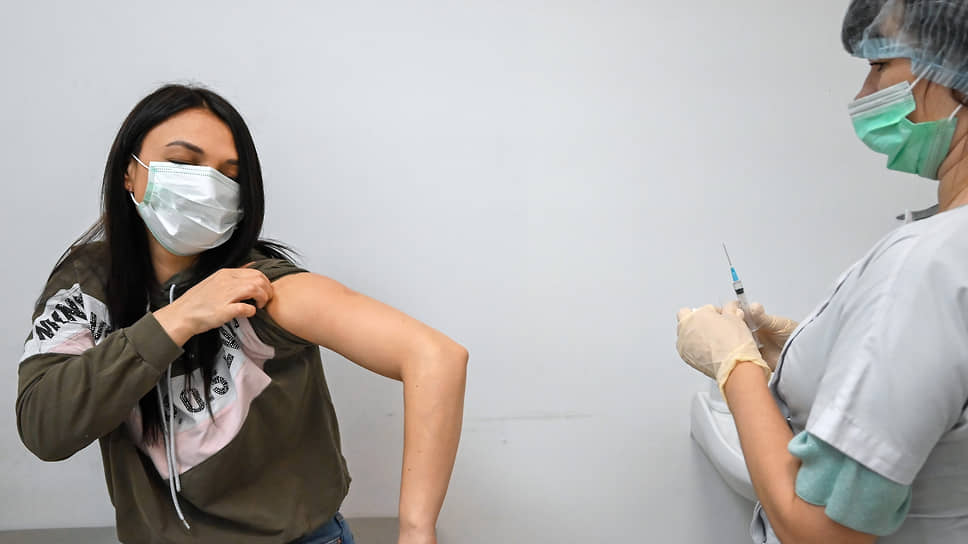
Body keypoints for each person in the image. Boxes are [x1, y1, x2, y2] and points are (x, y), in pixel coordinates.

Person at [15, 84, 469, 544]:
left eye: (228, 175)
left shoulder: (263, 287)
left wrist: (416, 531)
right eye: (183, 163)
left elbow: (436, 356)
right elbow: (45, 429)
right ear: (129, 173)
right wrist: (179, 318)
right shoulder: (87, 284)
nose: (206, 186)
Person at [676, 1, 968, 542]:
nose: (863, 94)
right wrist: (800, 352)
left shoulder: (926, 266)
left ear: (953, 71)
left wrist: (733, 365)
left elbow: (822, 531)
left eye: (880, 65)